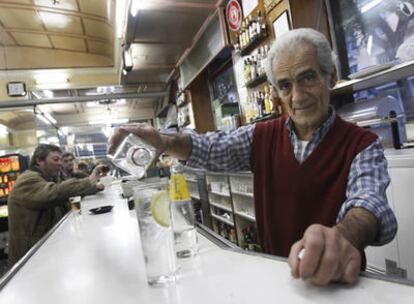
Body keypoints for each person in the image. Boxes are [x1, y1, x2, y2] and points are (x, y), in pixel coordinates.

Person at [108, 28, 397, 286]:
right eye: (285, 85)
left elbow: (368, 204)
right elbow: (208, 148)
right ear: (276, 91)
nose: (296, 96)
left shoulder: (362, 143)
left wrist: (343, 236)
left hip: (342, 283)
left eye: (307, 77)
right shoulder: (260, 137)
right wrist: (162, 140)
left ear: (330, 77)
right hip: (276, 278)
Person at [7, 144, 106, 265]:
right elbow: (54, 193)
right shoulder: (28, 180)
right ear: (39, 160)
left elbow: (67, 197)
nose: (60, 163)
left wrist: (95, 186)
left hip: (44, 250)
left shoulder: (47, 178)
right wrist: (89, 180)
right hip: (30, 257)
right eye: (55, 159)